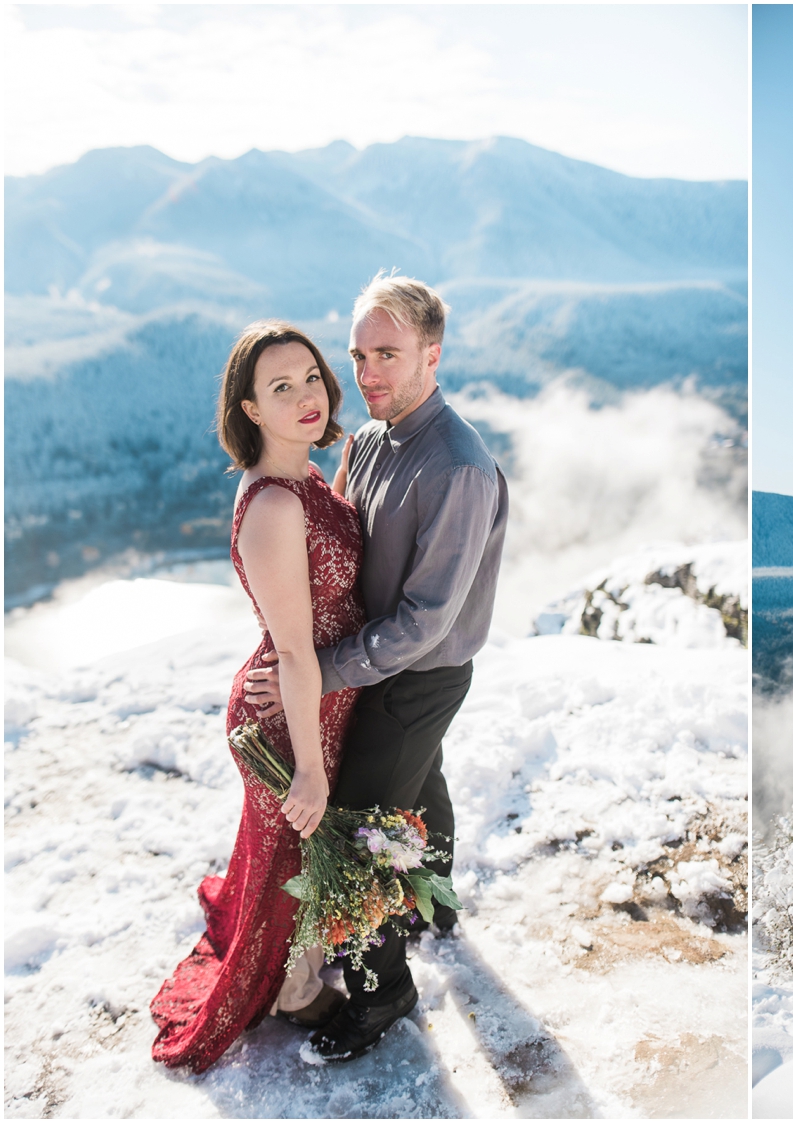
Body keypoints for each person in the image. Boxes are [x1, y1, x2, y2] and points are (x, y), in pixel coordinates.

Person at [246, 272, 509, 1062]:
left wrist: (320, 669)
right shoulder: (365, 442)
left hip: (417, 674)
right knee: (418, 784)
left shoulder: (458, 468)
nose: (367, 375)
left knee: (361, 828)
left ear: (433, 353)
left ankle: (382, 989)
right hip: (371, 666)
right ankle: (439, 901)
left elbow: (426, 622)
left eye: (387, 354)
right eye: (359, 355)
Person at [151, 322, 362, 1073]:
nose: (307, 395)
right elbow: (297, 651)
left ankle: (300, 964)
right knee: (290, 861)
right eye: (281, 387)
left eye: (311, 375)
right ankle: (290, 992)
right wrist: (307, 766)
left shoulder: (308, 475)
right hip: (286, 717)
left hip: (315, 698)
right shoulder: (274, 506)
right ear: (249, 409)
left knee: (294, 856)